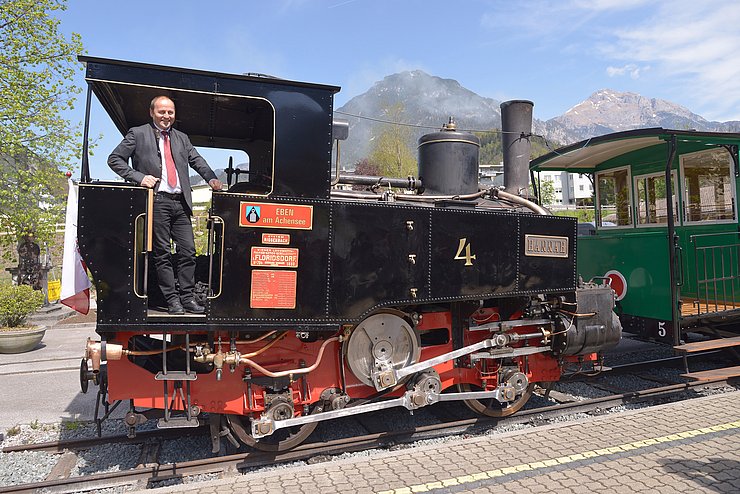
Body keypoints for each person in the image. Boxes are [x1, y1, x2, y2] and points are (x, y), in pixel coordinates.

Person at [108, 95, 223, 314]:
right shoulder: (137, 133)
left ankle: (187, 298)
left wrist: (211, 178)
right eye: (162, 112)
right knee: (162, 253)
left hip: (180, 203)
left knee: (188, 251)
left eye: (170, 112)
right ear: (152, 112)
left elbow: (198, 161)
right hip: (157, 201)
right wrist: (139, 177)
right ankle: (173, 301)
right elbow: (114, 159)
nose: (166, 116)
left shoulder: (182, 138)